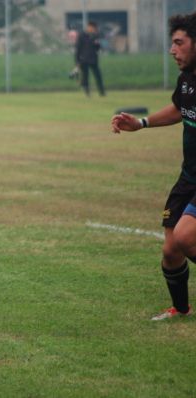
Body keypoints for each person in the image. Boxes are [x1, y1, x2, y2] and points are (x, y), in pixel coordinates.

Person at [111, 12, 196, 320]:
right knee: (171, 250)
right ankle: (181, 310)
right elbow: (179, 108)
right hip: (189, 176)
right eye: (171, 43)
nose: (172, 50)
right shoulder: (187, 78)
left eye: (179, 43)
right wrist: (142, 123)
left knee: (187, 237)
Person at [75, 21, 106, 97]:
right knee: (85, 77)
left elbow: (98, 48)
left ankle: (102, 92)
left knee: (98, 76)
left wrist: (97, 44)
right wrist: (77, 61)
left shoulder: (95, 36)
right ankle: (87, 92)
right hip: (84, 59)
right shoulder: (81, 35)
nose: (93, 30)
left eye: (94, 29)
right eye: (92, 28)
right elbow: (78, 49)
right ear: (89, 27)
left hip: (93, 59)